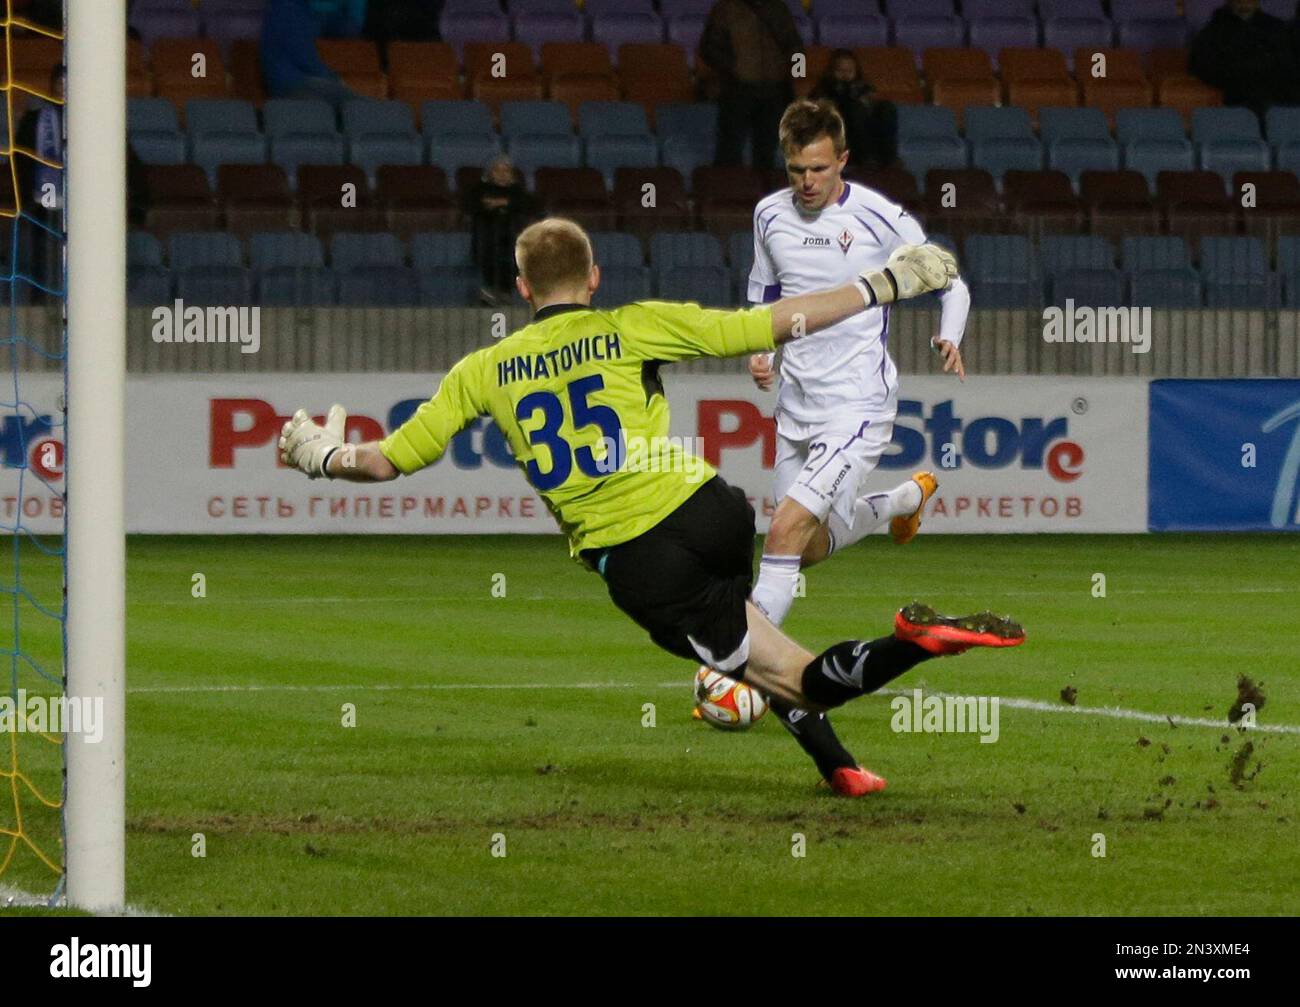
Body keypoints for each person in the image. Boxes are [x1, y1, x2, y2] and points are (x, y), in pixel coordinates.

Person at [278, 219, 1024, 781]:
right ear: (595, 277)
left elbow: (389, 461)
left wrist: (322, 455)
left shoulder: (484, 370)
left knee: (784, 672)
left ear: (523, 288)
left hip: (639, 556)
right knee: (755, 646)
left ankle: (911, 641)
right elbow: (763, 325)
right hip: (711, 506)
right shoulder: (632, 326)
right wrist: (880, 286)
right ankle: (840, 766)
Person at [733, 98, 972, 794]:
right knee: (801, 547)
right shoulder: (769, 214)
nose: (806, 181)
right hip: (796, 408)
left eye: (817, 168)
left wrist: (949, 332)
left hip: (859, 409)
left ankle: (730, 669)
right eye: (795, 169)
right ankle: (904, 497)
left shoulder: (880, 218)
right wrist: (759, 344)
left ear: (841, 160)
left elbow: (948, 280)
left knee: (780, 531)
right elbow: (761, 288)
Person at [699, 0, 804, 171]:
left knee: (767, 148)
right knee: (730, 147)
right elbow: (708, 47)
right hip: (737, 87)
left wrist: (796, 75)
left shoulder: (778, 8)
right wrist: (732, 69)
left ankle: (764, 193)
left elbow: (794, 44)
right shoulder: (726, 7)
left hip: (774, 87)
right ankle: (729, 193)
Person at [1189, 0, 1300, 123]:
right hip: (1242, 103)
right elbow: (1205, 67)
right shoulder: (1212, 33)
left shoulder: (1279, 29)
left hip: (1284, 100)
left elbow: (1290, 65)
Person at [464, 155, 540, 305]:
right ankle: (492, 291)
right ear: (490, 172)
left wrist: (502, 203)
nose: (502, 174)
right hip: (487, 237)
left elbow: (527, 205)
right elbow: (475, 205)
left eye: (506, 170)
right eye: (498, 170)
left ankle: (503, 293)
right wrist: (504, 205)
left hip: (512, 237)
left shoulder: (517, 191)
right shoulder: (480, 189)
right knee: (490, 246)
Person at [261, 0, 363, 106]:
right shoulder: (289, 7)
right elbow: (304, 58)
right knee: (358, 105)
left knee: (354, 102)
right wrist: (332, 78)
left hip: (294, 80)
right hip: (291, 82)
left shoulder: (296, 8)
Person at [810, 49, 897, 172]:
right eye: (840, 71)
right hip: (842, 132)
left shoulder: (862, 87)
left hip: (867, 129)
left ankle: (888, 159)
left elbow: (872, 105)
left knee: (886, 108)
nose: (845, 75)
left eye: (849, 71)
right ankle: (864, 158)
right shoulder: (824, 88)